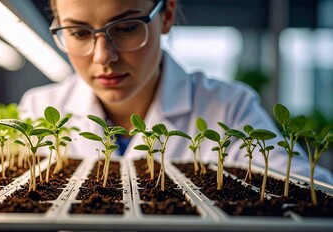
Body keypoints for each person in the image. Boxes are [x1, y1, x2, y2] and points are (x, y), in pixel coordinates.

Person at [19, 0, 333, 184]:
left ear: (167, 15)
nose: (103, 57)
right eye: (78, 32)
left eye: (126, 28)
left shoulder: (229, 108)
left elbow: (311, 193)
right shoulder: (39, 109)